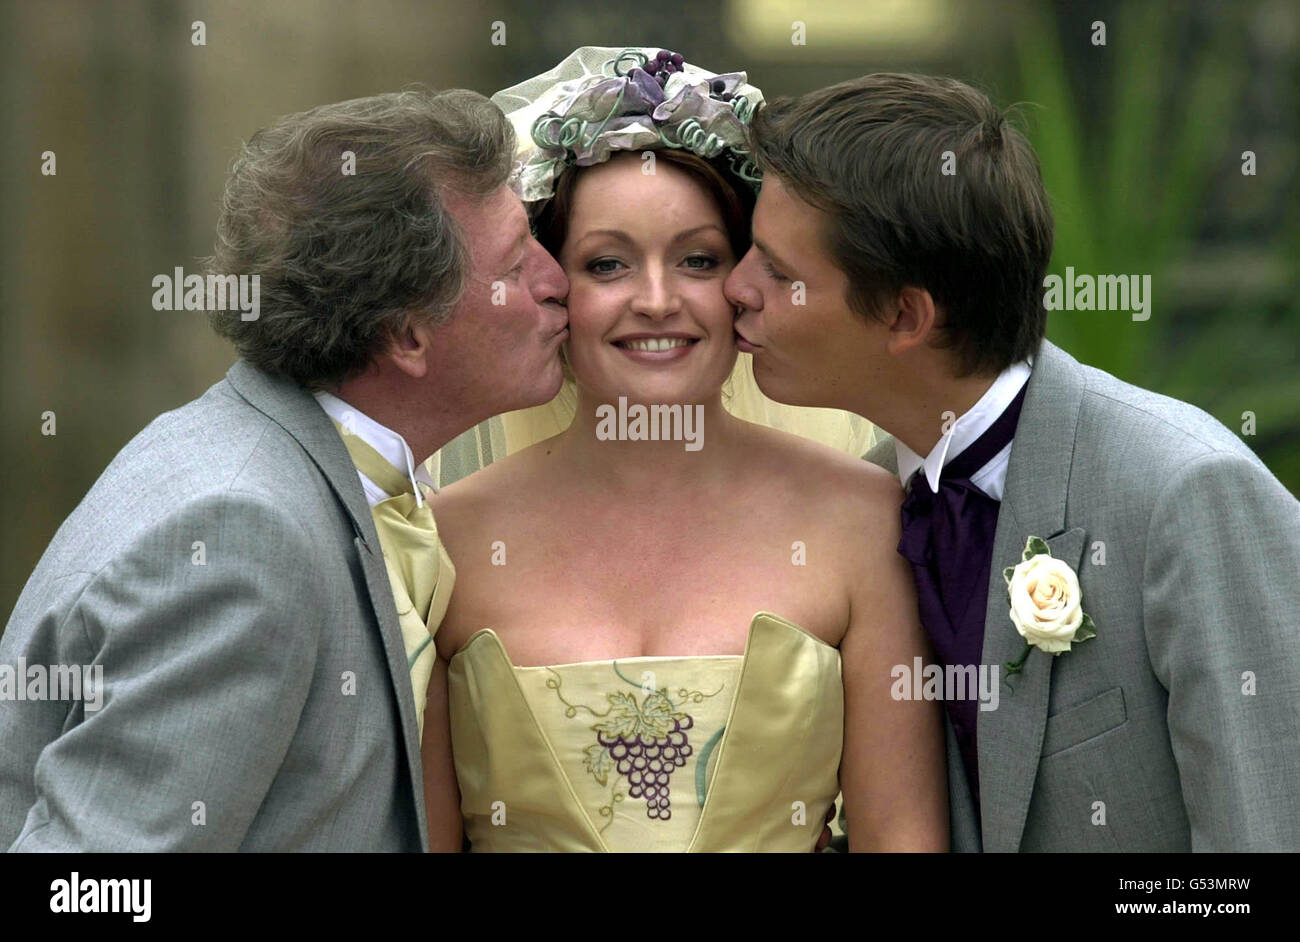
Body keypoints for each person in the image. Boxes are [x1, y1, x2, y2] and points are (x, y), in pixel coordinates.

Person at [724, 72, 1300, 851]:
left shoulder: (1184, 492)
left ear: (905, 316)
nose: (736, 289)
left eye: (779, 273)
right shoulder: (869, 503)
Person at [0, 89, 569, 850]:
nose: (557, 279)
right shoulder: (240, 533)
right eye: (516, 260)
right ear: (406, 335)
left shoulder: (310, 465)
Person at [420, 47, 947, 853]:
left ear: (746, 281)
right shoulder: (446, 541)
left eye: (698, 259)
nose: (658, 301)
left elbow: (901, 837)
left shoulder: (862, 522)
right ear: (554, 287)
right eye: (608, 264)